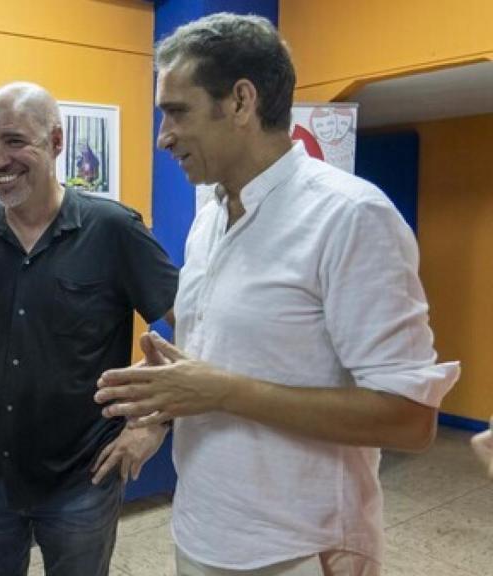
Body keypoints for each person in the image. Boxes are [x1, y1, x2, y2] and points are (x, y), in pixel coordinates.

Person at [93, 13, 460, 576]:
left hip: (297, 547)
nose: (163, 136)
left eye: (178, 111)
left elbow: (409, 419)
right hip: (203, 527)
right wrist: (165, 400)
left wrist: (223, 391)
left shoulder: (350, 216)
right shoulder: (209, 220)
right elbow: (225, 366)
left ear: (241, 102)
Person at [0, 82, 178, 576]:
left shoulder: (113, 229)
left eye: (14, 141)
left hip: (83, 476)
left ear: (56, 141)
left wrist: (153, 424)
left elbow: (194, 323)